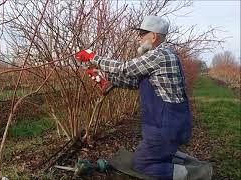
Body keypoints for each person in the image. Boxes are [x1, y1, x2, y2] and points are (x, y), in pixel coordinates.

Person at [75, 16, 212, 180]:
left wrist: (93, 58)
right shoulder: (160, 57)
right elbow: (134, 82)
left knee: (142, 164)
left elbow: (125, 68)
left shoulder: (160, 55)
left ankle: (196, 173)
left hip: (165, 126)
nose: (138, 38)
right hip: (165, 123)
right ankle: (183, 160)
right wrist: (106, 79)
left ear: (153, 36)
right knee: (152, 155)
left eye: (141, 33)